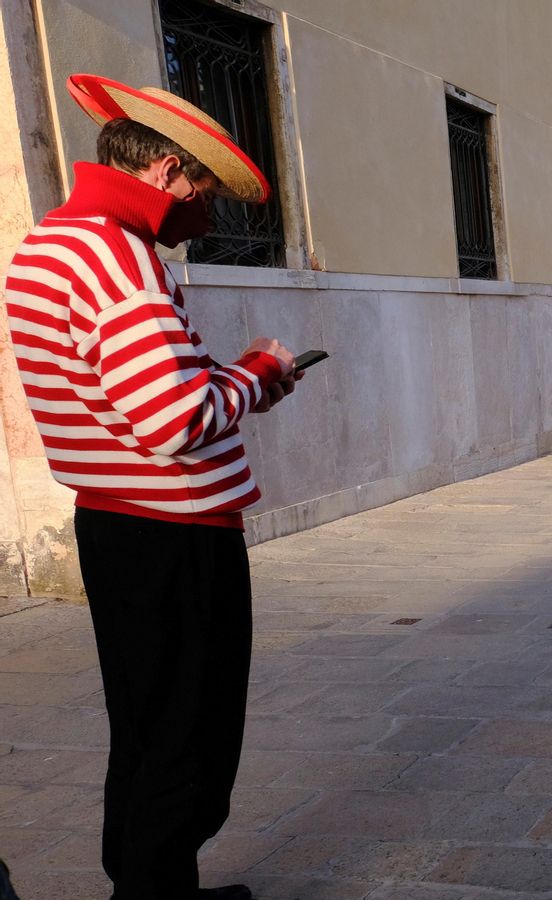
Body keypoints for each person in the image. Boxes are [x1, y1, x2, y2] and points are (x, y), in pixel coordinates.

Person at [2, 74, 302, 900]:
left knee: (144, 726)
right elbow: (174, 420)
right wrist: (257, 371)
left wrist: (229, 383)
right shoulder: (120, 259)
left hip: (116, 523)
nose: (204, 208)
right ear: (167, 171)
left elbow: (123, 390)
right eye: (203, 187)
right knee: (190, 738)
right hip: (174, 532)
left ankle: (151, 884)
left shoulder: (50, 242)